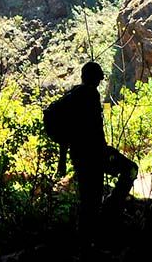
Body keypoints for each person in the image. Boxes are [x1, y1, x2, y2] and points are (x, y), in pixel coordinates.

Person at [56, 61, 138, 232]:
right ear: (94, 79)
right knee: (130, 169)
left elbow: (66, 129)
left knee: (89, 200)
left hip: (82, 156)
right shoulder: (89, 95)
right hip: (94, 156)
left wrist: (62, 160)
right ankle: (108, 213)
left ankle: (89, 238)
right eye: (98, 80)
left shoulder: (73, 96)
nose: (99, 83)